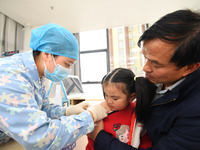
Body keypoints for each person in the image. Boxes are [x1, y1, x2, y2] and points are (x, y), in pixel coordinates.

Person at [89, 9, 200, 150]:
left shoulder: (195, 112)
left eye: (156, 64)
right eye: (146, 57)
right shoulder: (158, 82)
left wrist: (99, 137)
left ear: (189, 68)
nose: (145, 68)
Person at [0, 23, 107, 150]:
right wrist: (89, 116)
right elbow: (40, 137)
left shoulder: (36, 75)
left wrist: (68, 111)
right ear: (46, 54)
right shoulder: (11, 76)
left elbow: (43, 108)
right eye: (67, 64)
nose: (68, 70)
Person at [86, 68, 156, 150]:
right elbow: (92, 141)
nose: (109, 101)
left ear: (131, 97)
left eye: (115, 98)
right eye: (106, 95)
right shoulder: (99, 112)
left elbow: (144, 140)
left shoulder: (138, 111)